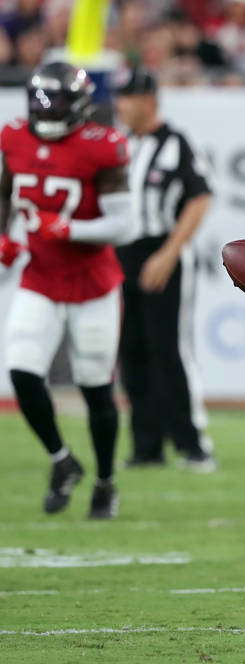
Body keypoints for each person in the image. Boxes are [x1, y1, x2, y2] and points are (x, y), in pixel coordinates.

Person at [0, 62, 132, 518]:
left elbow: (123, 224)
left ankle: (106, 481)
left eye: (55, 100)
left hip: (92, 282)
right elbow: (4, 193)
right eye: (40, 99)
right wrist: (3, 234)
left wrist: (68, 227)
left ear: (77, 104)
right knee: (21, 372)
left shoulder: (102, 147)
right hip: (40, 276)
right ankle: (61, 459)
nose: (46, 109)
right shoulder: (13, 137)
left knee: (96, 388)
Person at [112, 67, 216, 472]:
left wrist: (170, 251)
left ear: (149, 100)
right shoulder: (120, 146)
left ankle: (193, 442)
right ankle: (146, 445)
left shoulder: (176, 144)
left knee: (169, 348)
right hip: (122, 253)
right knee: (131, 350)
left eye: (128, 97)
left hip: (161, 249)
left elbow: (200, 197)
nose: (120, 105)